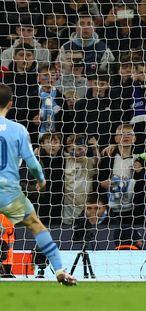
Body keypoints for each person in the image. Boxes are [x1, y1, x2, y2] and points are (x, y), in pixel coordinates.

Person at [0, 84, 76, 285]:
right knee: (36, 225)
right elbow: (32, 162)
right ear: (10, 104)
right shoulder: (18, 130)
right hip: (8, 192)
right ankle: (60, 270)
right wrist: (41, 180)